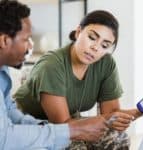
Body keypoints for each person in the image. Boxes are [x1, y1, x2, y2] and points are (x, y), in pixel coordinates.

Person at [14, 9, 142, 150]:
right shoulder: (52, 65)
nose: (95, 47)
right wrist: (105, 120)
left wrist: (141, 110)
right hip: (30, 126)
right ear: (78, 32)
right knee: (76, 146)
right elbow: (62, 125)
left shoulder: (106, 64)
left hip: (69, 123)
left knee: (118, 138)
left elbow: (112, 116)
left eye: (104, 45)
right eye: (92, 37)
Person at [0, 0, 111, 150]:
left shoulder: (2, 71)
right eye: (26, 39)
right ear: (4, 41)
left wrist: (42, 127)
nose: (31, 46)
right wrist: (73, 130)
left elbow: (10, 112)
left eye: (105, 45)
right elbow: (4, 139)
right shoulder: (52, 64)